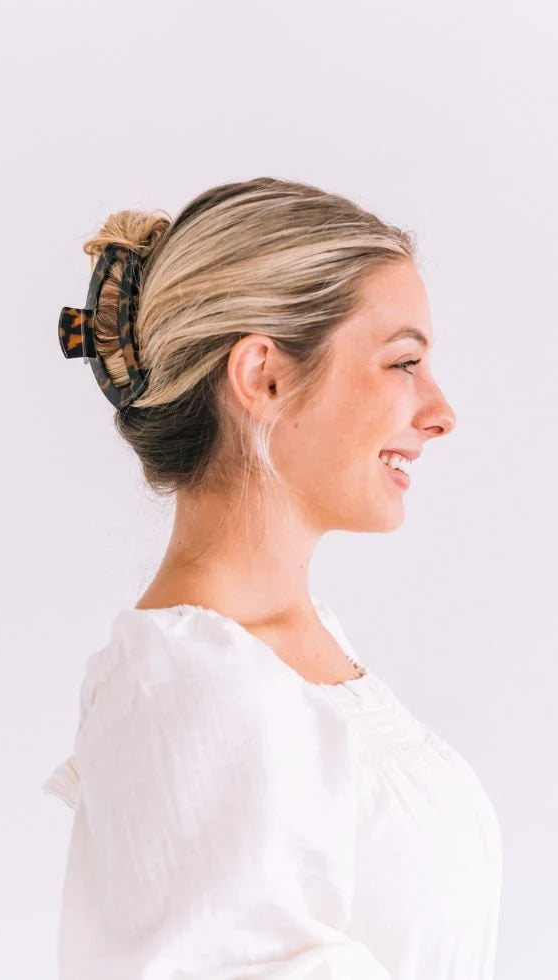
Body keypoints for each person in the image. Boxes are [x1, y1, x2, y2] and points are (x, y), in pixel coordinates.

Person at [44, 177, 502, 979]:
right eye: (403, 362)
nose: (439, 412)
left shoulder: (292, 652)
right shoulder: (190, 689)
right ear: (263, 376)